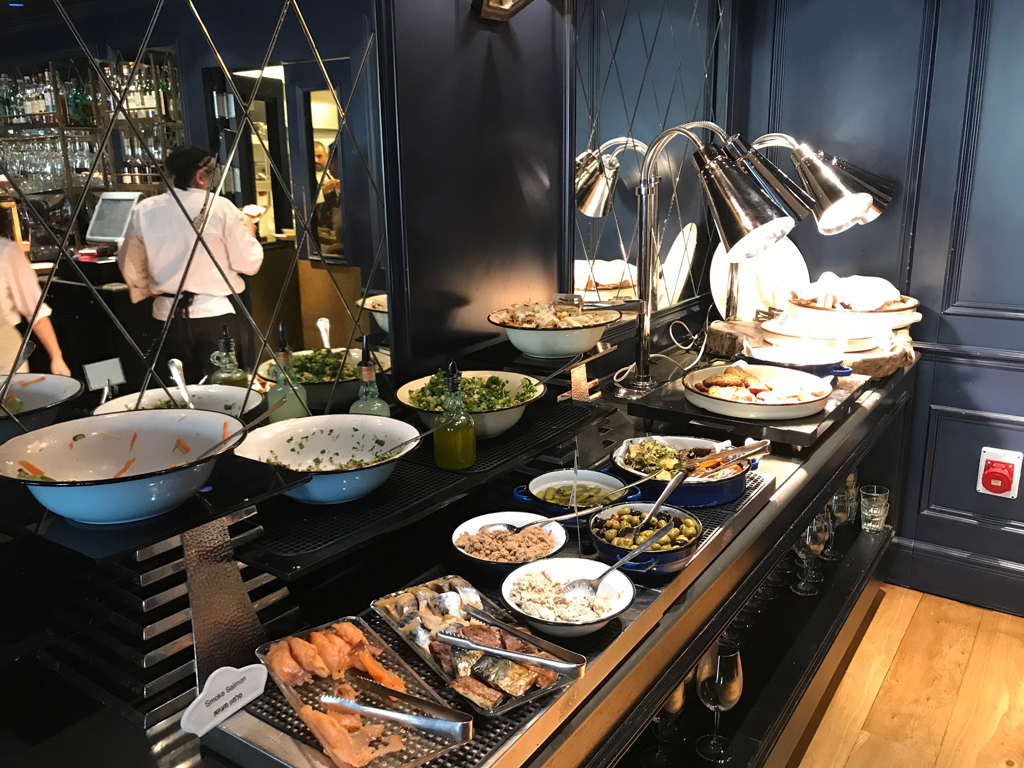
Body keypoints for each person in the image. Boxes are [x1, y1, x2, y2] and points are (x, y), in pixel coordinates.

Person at [117, 145, 264, 383]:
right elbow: (249, 264)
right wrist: (250, 230)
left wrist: (155, 292)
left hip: (166, 317)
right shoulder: (220, 207)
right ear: (200, 176)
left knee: (178, 392)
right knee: (225, 390)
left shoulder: (144, 210)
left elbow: (129, 265)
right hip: (215, 316)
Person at [0, 225, 69, 376]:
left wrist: (56, 357)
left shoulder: (6, 252)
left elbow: (35, 310)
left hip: (4, 360)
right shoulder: (7, 252)